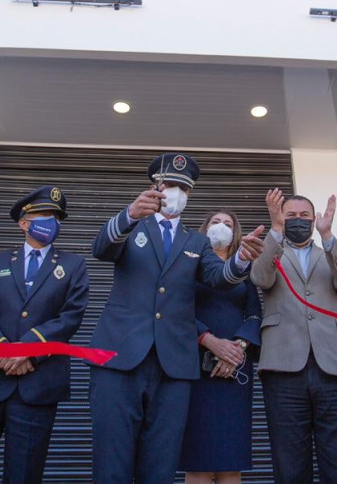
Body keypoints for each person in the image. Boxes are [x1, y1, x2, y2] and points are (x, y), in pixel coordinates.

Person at [88, 153, 264, 484]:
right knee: (112, 459)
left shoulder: (196, 241)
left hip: (173, 367)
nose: (176, 192)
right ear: (155, 186)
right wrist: (128, 214)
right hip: (119, 358)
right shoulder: (132, 225)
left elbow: (219, 277)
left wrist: (241, 259)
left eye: (184, 188)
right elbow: (101, 248)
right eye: (170, 184)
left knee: (161, 462)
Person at [0, 186, 88, 484]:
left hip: (37, 386)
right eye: (44, 215)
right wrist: (2, 350)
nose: (51, 222)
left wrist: (28, 349)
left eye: (56, 217)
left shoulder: (73, 265)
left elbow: (71, 316)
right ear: (24, 222)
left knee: (24, 474)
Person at [251, 189, 337, 484]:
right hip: (283, 365)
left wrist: (328, 236)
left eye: (304, 216)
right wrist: (275, 230)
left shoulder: (329, 252)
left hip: (331, 365)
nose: (297, 220)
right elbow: (261, 278)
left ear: (315, 220)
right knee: (290, 460)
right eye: (290, 215)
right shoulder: (272, 250)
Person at [180, 209, 262, 484]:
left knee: (231, 459)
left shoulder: (245, 269)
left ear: (235, 233)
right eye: (215, 222)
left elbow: (254, 314)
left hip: (236, 369)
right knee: (198, 461)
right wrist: (209, 341)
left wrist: (237, 349)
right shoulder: (188, 265)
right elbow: (177, 310)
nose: (221, 226)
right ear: (205, 229)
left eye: (228, 223)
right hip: (195, 366)